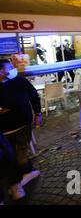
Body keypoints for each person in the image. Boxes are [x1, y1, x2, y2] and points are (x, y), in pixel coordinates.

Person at [0, 59, 42, 196]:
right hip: (3, 131)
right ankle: (19, 180)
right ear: (1, 71)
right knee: (9, 157)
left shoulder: (20, 81)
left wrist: (38, 113)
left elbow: (34, 96)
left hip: (23, 126)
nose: (13, 68)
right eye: (10, 67)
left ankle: (19, 181)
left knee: (20, 155)